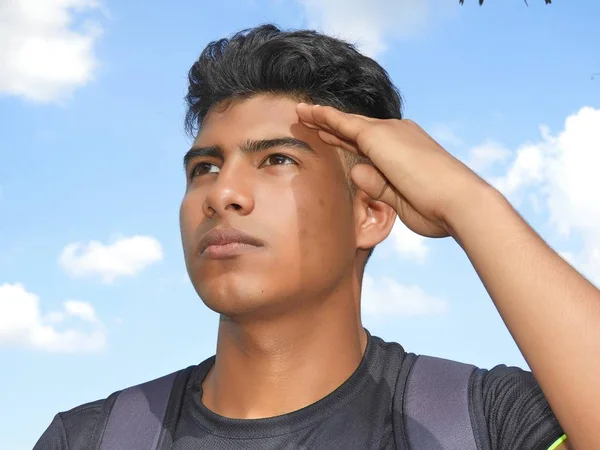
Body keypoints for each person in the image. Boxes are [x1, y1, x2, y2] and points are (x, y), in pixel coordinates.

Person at [34, 24, 600, 450]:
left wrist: (469, 204)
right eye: (204, 167)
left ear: (371, 214)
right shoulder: (87, 437)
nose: (222, 192)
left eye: (276, 159)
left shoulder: (484, 423)